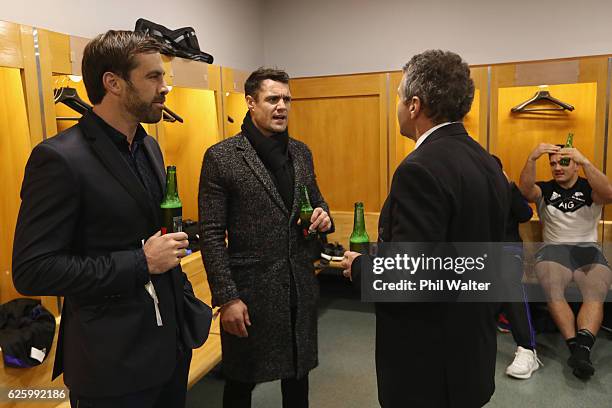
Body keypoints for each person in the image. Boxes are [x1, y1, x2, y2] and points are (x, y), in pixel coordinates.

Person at [12, 31, 193, 407]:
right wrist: (140, 262)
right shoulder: (59, 159)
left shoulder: (149, 146)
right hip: (112, 366)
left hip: (170, 353)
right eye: (153, 77)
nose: (165, 88)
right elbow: (33, 270)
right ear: (113, 83)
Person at [342, 50, 509, 408]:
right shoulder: (486, 161)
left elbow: (409, 280)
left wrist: (359, 267)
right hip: (472, 348)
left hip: (429, 363)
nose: (398, 107)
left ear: (414, 105)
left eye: (399, 97)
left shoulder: (418, 169)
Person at [199, 67, 333, 408]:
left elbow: (317, 201)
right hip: (250, 293)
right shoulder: (222, 157)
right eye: (272, 98)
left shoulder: (300, 152)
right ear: (250, 102)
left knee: (298, 377)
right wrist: (227, 297)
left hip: (299, 284)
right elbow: (212, 234)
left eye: (287, 99)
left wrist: (323, 215)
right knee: (241, 383)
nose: (282, 106)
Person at [518, 142, 612, 379]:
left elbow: (609, 193)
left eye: (563, 162)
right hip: (553, 250)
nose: (557, 167)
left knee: (595, 291)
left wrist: (586, 161)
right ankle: (577, 349)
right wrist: (531, 158)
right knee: (552, 287)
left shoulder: (590, 188)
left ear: (576, 166)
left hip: (587, 249)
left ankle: (581, 349)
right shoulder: (545, 189)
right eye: (552, 164)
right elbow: (526, 191)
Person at [491, 155, 541, 379]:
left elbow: (526, 214)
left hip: (508, 249)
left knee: (509, 278)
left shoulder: (508, 190)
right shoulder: (470, 190)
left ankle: (527, 349)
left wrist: (508, 189)